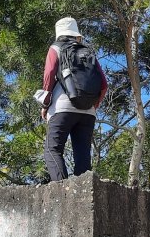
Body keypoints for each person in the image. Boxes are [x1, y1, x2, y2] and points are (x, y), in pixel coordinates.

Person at [41, 17, 108, 181]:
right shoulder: (88, 51)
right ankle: (83, 194)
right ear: (76, 34)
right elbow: (104, 84)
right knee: (82, 153)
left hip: (62, 107)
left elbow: (49, 77)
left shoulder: (55, 48)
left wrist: (45, 104)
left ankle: (61, 191)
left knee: (52, 149)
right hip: (88, 111)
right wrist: (94, 104)